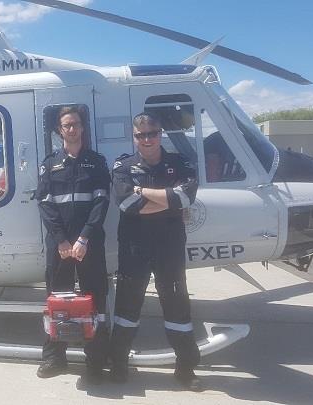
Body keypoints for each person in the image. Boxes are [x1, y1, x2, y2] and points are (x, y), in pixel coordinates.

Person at [109, 112, 202, 390]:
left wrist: (143, 191)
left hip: (169, 248)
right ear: (134, 137)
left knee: (177, 307)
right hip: (135, 248)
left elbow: (186, 198)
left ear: (160, 134)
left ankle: (185, 368)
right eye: (141, 135)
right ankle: (118, 363)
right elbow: (127, 205)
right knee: (127, 307)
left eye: (152, 133)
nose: (147, 139)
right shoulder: (122, 165)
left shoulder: (180, 163)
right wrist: (169, 199)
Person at [34, 106, 111, 388]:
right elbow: (44, 204)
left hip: (89, 244)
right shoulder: (50, 163)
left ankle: (96, 362)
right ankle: (54, 357)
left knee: (97, 303)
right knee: (56, 301)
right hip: (60, 246)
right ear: (59, 130)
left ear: (82, 128)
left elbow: (102, 202)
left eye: (76, 124)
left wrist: (84, 238)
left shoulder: (96, 162)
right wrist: (63, 240)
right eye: (67, 125)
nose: (72, 129)